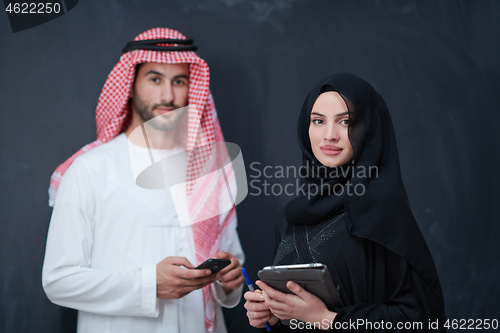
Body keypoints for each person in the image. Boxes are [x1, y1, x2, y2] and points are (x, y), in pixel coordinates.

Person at [42, 28, 245, 333]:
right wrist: (148, 284)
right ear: (131, 85)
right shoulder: (91, 169)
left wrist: (229, 281)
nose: (168, 96)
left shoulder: (208, 169)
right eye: (155, 79)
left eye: (180, 81)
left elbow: (232, 262)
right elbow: (59, 281)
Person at [244, 73, 446, 332]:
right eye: (318, 121)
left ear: (369, 129)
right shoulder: (289, 217)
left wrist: (327, 320)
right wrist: (271, 314)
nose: (329, 135)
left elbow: (424, 318)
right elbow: (292, 317)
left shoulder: (383, 209)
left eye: (345, 122)